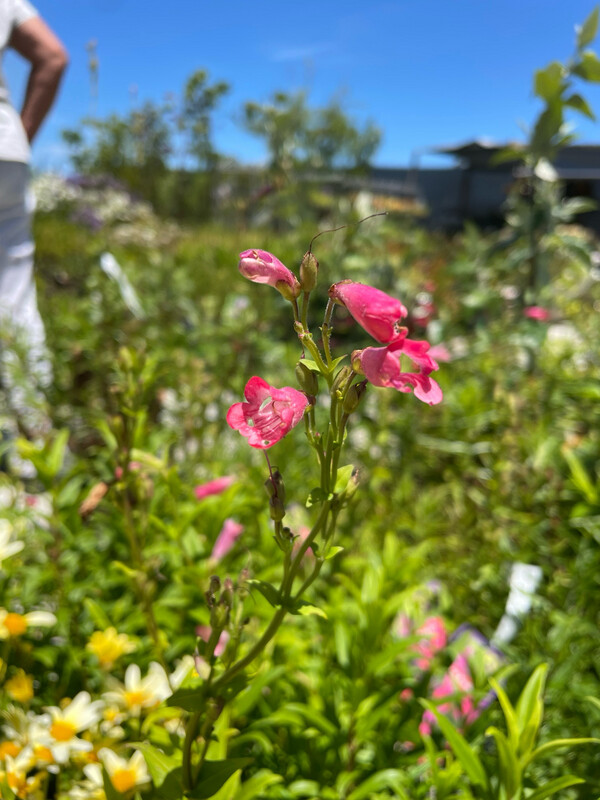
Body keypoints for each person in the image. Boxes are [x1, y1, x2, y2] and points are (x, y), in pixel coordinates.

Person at [0, 1, 67, 444]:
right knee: (14, 296)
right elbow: (52, 55)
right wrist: (19, 133)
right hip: (5, 149)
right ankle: (34, 448)